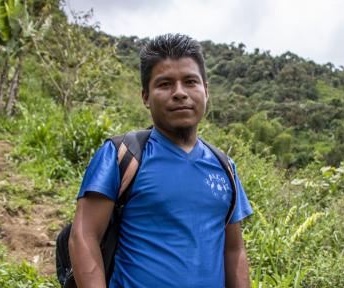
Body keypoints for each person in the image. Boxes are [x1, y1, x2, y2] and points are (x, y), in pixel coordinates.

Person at [68, 33, 253, 288]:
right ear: (145, 96)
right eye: (165, 84)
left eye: (190, 82)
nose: (179, 93)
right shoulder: (122, 155)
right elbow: (84, 235)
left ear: (206, 91)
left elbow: (234, 251)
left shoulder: (224, 167)